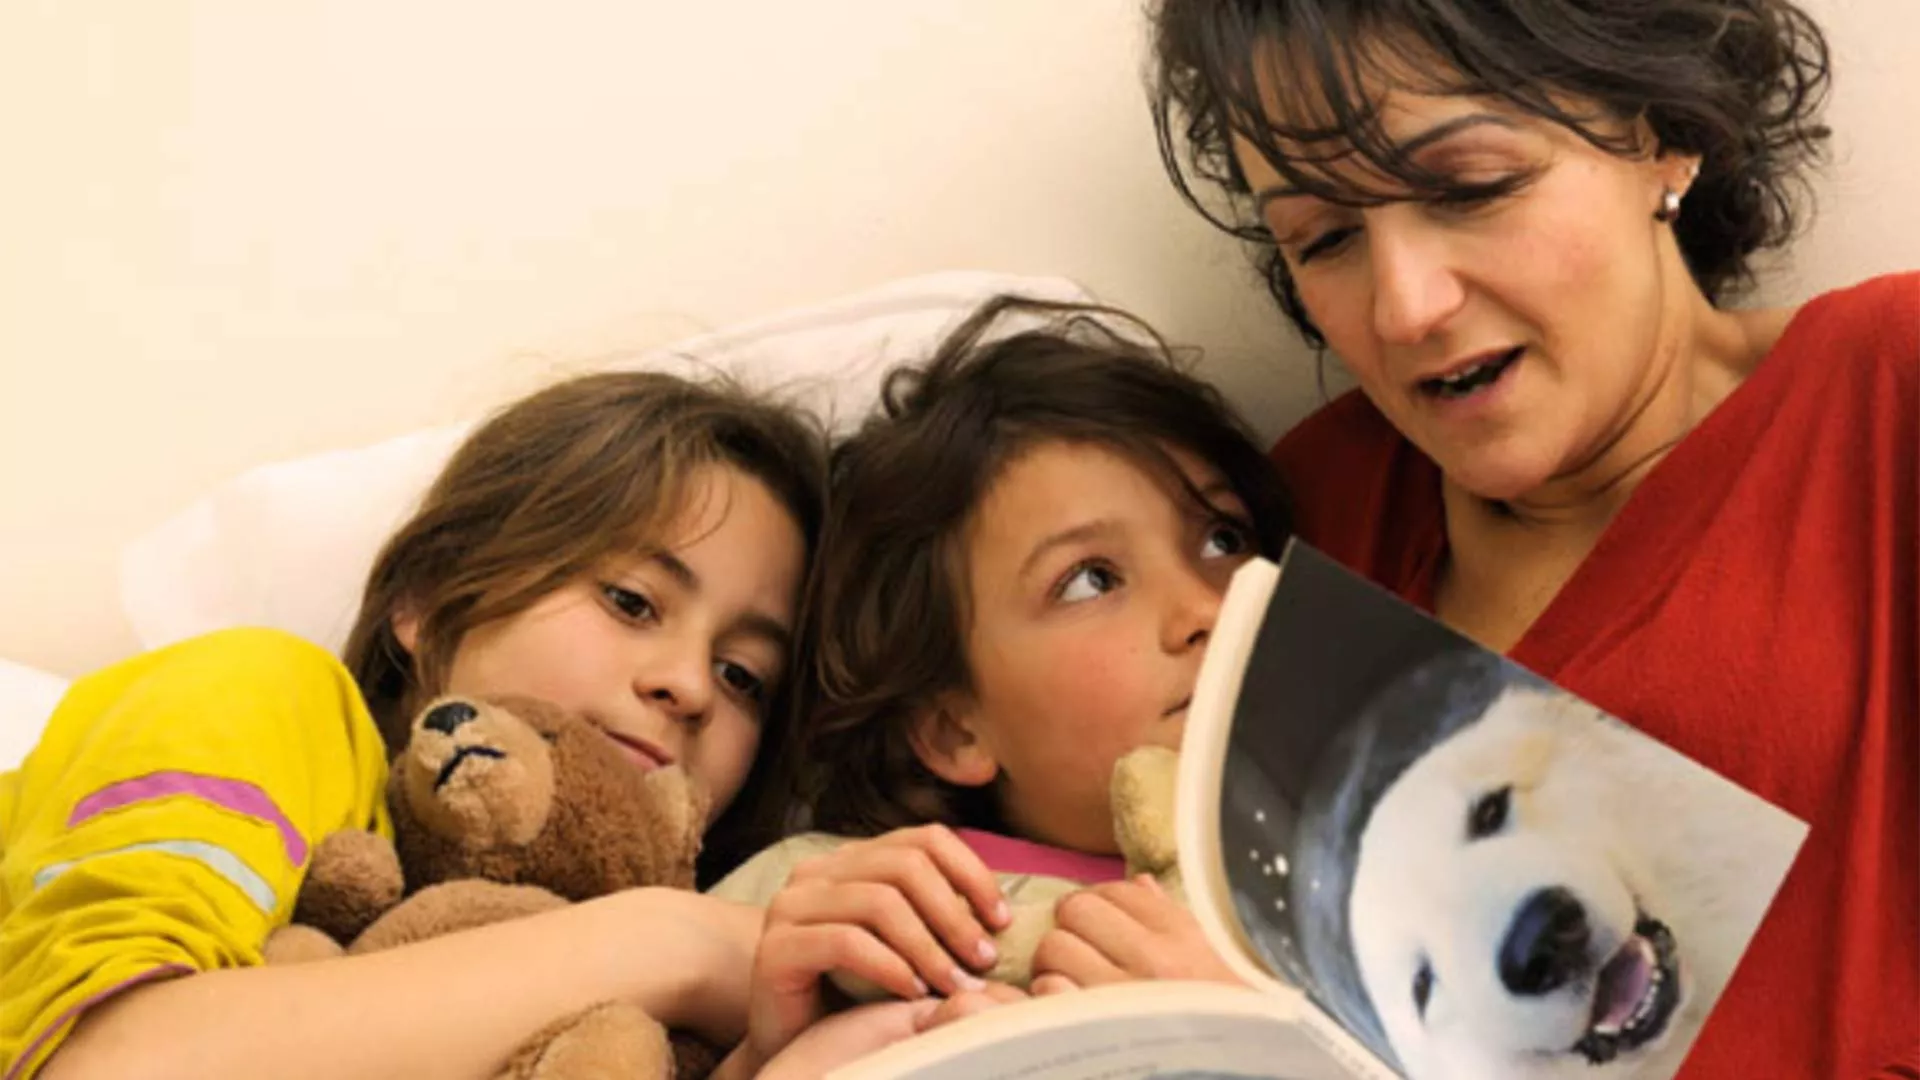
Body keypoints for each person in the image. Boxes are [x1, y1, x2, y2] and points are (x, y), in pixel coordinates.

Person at [1146, 1, 1916, 1077]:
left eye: (1469, 188)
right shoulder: (1314, 517)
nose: (1407, 307)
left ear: (1663, 131)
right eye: (1325, 239)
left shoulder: (1889, 390)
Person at [0, 370, 828, 1080]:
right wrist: (670, 945)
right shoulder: (269, 693)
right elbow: (108, 1064)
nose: (688, 686)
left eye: (743, 676)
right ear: (427, 600)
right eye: (631, 600)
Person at [713, 296, 1297, 1076]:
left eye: (1224, 538)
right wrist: (760, 1052)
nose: (1207, 605)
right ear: (954, 728)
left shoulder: (1365, 896)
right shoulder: (824, 889)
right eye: (1091, 579)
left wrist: (1263, 1037)